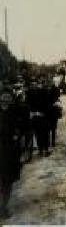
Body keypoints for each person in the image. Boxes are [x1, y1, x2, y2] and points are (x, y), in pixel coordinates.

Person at [0, 88, 21, 219]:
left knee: (8, 181)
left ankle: (4, 207)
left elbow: (20, 128)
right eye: (4, 97)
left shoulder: (14, 112)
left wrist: (17, 134)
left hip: (10, 151)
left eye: (8, 97)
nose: (6, 100)